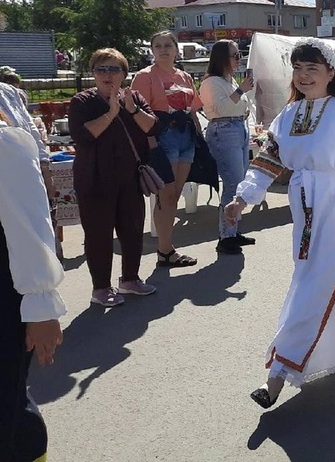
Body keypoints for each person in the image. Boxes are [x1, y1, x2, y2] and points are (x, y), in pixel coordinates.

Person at [225, 38, 335, 409]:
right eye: (297, 69)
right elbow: (268, 159)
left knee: (314, 281)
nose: (302, 76)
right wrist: (243, 196)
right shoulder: (287, 116)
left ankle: (280, 370)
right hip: (305, 204)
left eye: (311, 69)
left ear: (332, 73)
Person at [0, 109, 66, 462]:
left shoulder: (3, 144)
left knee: (8, 405)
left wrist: (41, 307)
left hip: (5, 296)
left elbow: (29, 229)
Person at [69, 49, 158, 306]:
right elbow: (84, 136)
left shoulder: (135, 98)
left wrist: (131, 110)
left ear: (124, 73)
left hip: (129, 177)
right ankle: (101, 288)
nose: (108, 75)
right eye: (101, 69)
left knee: (132, 230)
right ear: (93, 73)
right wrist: (110, 112)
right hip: (94, 179)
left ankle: (130, 279)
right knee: (99, 234)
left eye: (114, 69)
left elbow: (153, 127)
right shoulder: (82, 102)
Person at [131, 30, 203, 268]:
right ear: (152, 50)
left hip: (185, 136)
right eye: (158, 46)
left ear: (176, 49)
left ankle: (167, 248)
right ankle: (165, 250)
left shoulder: (184, 76)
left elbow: (193, 107)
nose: (163, 50)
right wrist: (151, 142)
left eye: (168, 45)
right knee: (165, 195)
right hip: (162, 136)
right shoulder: (145, 76)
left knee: (175, 194)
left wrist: (198, 134)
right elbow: (138, 111)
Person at [200, 40, 257, 255]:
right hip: (224, 130)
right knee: (232, 183)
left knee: (239, 182)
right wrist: (241, 91)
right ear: (222, 57)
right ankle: (225, 236)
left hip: (237, 128)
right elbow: (221, 108)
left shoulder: (229, 80)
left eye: (239, 55)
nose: (238, 59)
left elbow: (237, 105)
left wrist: (242, 97)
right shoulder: (211, 82)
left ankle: (233, 231)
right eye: (235, 55)